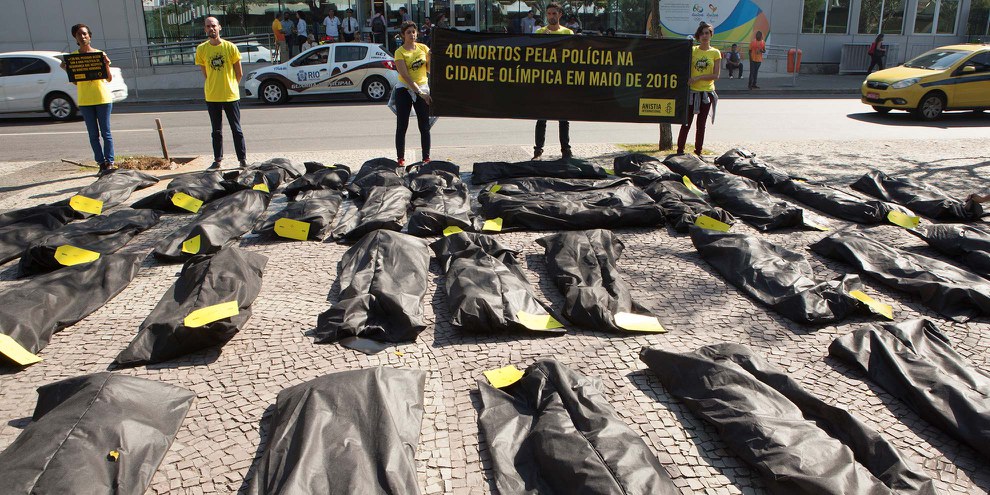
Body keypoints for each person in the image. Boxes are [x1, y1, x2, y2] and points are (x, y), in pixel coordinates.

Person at [62, 24, 115, 174]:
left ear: (90, 36)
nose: (83, 36)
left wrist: (106, 65)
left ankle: (110, 162)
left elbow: (109, 79)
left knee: (106, 133)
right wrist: (67, 69)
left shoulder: (99, 54)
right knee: (93, 134)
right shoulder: (73, 57)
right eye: (79, 34)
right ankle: (101, 164)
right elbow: (76, 81)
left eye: (85, 34)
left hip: (102, 98)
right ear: (75, 37)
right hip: (85, 101)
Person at [195, 17, 247, 169]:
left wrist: (231, 86)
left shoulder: (230, 47)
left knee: (236, 129)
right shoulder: (202, 49)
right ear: (205, 29)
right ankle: (217, 159)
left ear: (219, 27)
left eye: (213, 25)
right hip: (212, 96)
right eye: (208, 26)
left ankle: (242, 159)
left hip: (230, 95)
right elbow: (205, 73)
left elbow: (239, 73)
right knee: (216, 130)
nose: (211, 28)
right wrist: (215, 85)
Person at [532, 3, 573, 160]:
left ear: (560, 14)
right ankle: (538, 151)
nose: (551, 16)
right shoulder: (540, 32)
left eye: (554, 13)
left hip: (562, 81)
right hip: (544, 81)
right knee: (541, 117)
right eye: (548, 14)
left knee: (564, 117)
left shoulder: (568, 32)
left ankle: (566, 150)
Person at [677, 21, 720, 157]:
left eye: (707, 33)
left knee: (701, 125)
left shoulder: (715, 52)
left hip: (706, 93)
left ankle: (698, 152)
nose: (704, 36)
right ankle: (680, 151)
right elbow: (683, 64)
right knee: (686, 123)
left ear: (711, 35)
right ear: (698, 36)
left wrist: (698, 77)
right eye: (702, 33)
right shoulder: (693, 50)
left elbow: (716, 75)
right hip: (691, 92)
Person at [393, 21, 432, 166]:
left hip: (422, 86)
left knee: (424, 125)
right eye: (408, 32)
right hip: (405, 89)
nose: (412, 35)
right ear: (403, 35)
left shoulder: (423, 48)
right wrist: (420, 92)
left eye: (414, 32)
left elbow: (428, 70)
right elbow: (405, 75)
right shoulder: (399, 52)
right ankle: (400, 158)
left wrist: (431, 57)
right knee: (402, 125)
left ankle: (426, 158)